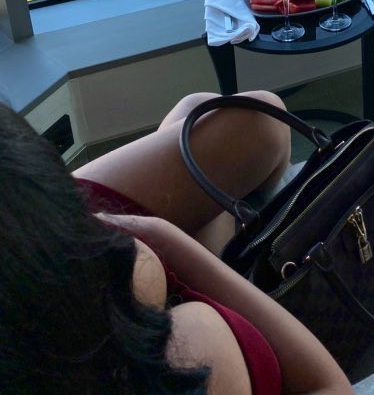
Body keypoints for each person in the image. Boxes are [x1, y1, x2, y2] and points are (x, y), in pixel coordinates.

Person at [0, 90, 355, 395]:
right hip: (41, 240)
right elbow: (330, 386)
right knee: (248, 124)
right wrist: (163, 236)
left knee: (206, 109)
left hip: (28, 217)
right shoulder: (195, 346)